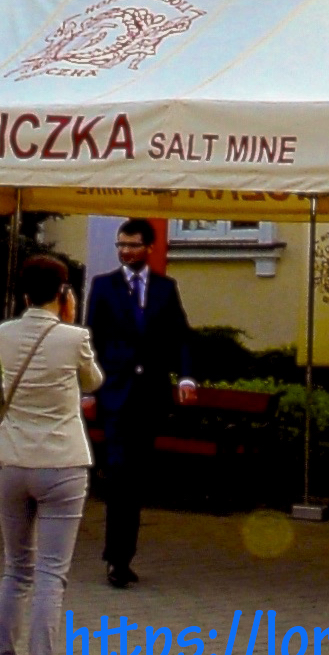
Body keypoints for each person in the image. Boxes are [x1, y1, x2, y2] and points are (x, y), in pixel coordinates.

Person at [0, 254, 103, 655]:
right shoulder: (75, 336)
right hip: (62, 464)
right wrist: (71, 321)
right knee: (52, 574)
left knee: (15, 569)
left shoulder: (4, 333)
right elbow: (93, 381)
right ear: (64, 293)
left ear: (22, 294)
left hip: (11, 460)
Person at [84, 218, 196, 588]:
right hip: (115, 394)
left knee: (135, 478)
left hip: (149, 396)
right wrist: (88, 390)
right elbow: (90, 341)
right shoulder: (103, 286)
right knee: (119, 474)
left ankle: (123, 555)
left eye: (132, 245)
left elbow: (180, 335)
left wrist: (185, 376)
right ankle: (115, 558)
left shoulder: (165, 288)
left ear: (148, 247)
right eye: (121, 245)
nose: (125, 251)